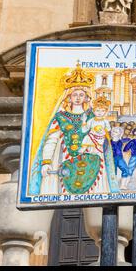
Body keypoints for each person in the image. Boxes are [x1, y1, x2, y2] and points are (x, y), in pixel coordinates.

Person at [30, 62, 119, 195]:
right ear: (69, 97)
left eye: (81, 95)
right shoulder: (60, 117)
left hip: (91, 160)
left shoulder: (93, 116)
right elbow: (51, 140)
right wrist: (46, 162)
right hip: (65, 159)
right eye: (75, 95)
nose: (78, 98)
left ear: (86, 97)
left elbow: (102, 138)